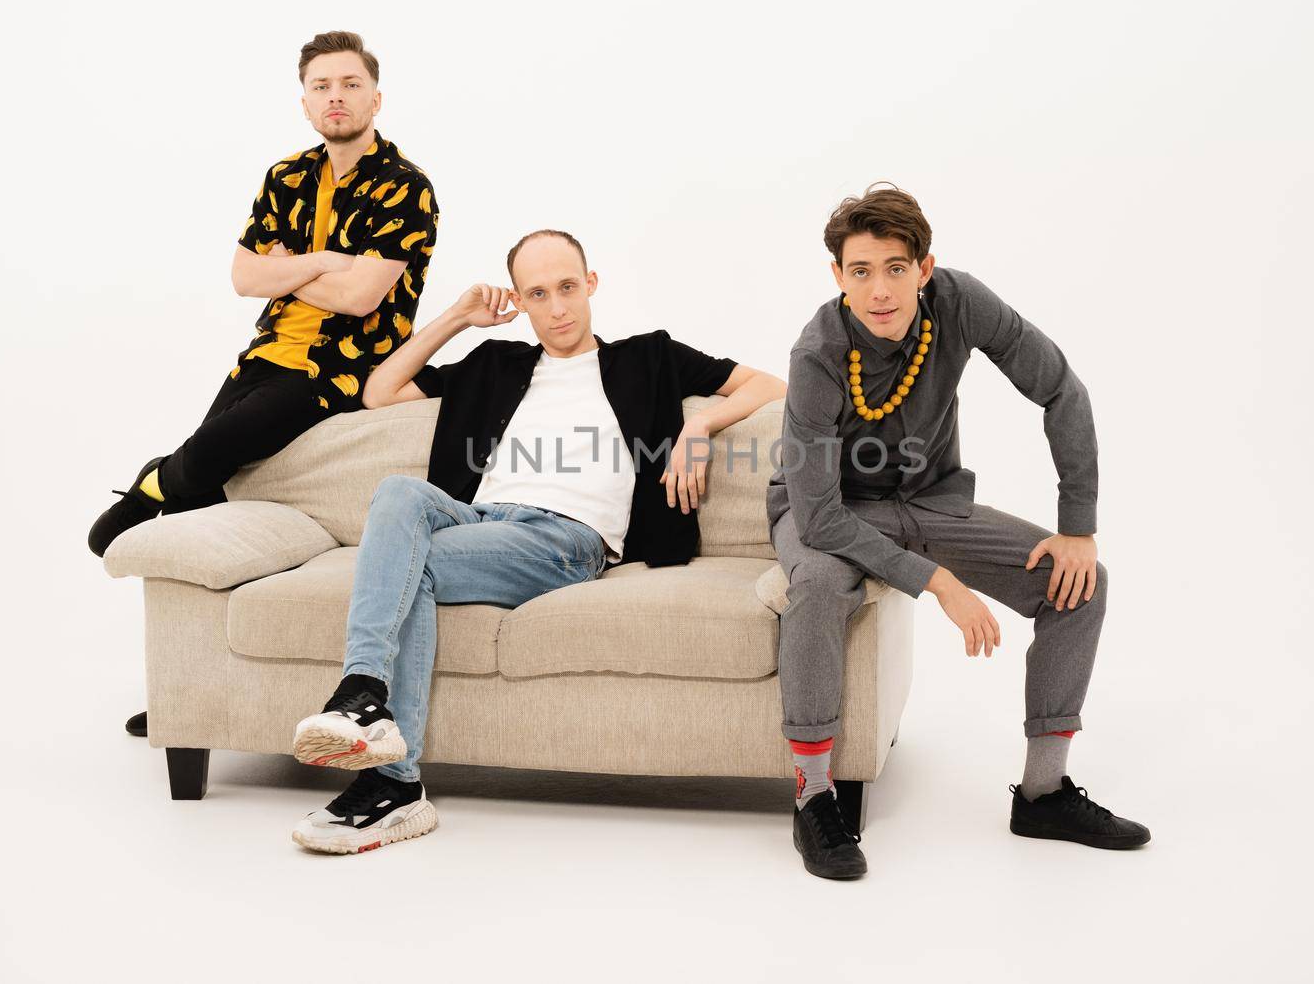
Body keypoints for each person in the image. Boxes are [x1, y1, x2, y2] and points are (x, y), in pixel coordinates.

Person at [286, 229, 787, 854]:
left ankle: (391, 781)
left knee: (409, 567)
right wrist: (457, 319)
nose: (558, 308)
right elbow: (379, 392)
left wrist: (698, 422)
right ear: (520, 301)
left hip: (565, 540)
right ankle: (364, 698)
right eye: (539, 294)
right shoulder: (495, 365)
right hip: (479, 519)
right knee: (398, 492)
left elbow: (769, 384)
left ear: (592, 283)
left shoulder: (649, 357)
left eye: (569, 288)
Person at [769, 184, 1150, 880]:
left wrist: (1079, 528)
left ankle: (1043, 793)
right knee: (820, 584)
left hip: (931, 501)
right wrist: (938, 581)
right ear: (837, 276)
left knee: (1080, 587)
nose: (879, 288)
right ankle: (814, 798)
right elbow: (819, 515)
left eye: (894, 267)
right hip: (829, 509)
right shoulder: (818, 352)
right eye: (860, 270)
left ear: (925, 267)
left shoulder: (959, 302)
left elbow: (1062, 387)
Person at [88, 31, 439, 739]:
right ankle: (184, 697)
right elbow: (246, 276)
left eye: (348, 83)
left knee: (204, 457)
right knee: (205, 522)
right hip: (264, 355)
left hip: (340, 368)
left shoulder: (407, 186)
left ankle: (152, 483)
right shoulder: (287, 176)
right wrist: (323, 259)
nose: (334, 97)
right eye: (321, 86)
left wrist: (293, 266)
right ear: (305, 99)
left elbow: (366, 297)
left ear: (376, 96)